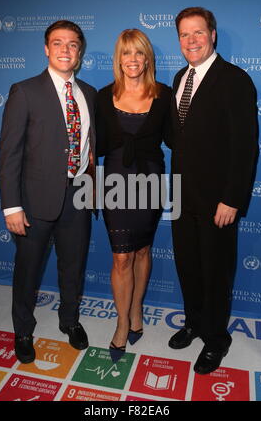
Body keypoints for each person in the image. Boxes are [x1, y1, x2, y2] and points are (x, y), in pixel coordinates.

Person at [0, 20, 96, 363]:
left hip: (79, 197)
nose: (65, 50)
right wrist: (12, 207)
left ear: (79, 51)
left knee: (74, 267)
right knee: (28, 270)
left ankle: (70, 321)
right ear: (46, 49)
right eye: (58, 43)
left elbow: (92, 148)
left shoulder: (89, 94)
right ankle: (23, 330)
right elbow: (9, 153)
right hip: (34, 201)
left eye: (72, 44)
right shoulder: (24, 91)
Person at [168, 7, 258, 374]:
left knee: (216, 271)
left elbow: (245, 146)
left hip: (218, 201)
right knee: (188, 266)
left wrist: (232, 198)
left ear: (213, 35)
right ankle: (193, 322)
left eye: (198, 33)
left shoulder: (235, 79)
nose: (191, 41)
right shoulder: (178, 77)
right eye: (184, 35)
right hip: (181, 197)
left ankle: (216, 339)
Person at [96, 29, 171, 363]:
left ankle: (137, 308)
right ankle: (122, 322)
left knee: (142, 249)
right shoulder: (102, 96)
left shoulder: (164, 95)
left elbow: (179, 141)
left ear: (147, 58)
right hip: (114, 181)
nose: (133, 60)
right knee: (121, 256)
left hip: (151, 181)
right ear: (119, 58)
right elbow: (89, 144)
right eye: (127, 53)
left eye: (139, 53)